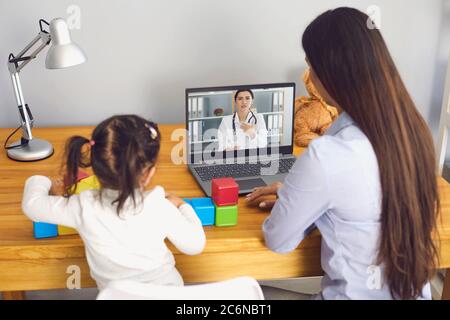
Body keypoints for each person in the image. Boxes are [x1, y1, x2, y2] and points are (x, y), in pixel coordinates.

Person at [246, 7, 440, 300]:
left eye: (311, 66)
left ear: (331, 75)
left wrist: (296, 200)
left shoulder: (327, 155)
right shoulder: (413, 132)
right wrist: (300, 194)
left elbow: (278, 240)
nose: (308, 74)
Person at [22, 115, 206, 290]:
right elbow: (195, 245)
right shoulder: (159, 205)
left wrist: (42, 180)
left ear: (95, 166)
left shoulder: (83, 206)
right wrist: (182, 206)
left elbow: (32, 205)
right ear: (149, 172)